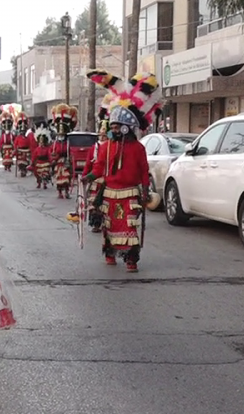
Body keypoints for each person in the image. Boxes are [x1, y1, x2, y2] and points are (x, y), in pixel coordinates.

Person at [82, 70, 162, 272]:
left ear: (128, 127)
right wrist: (89, 176)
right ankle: (110, 253)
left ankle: (131, 259)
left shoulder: (138, 148)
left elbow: (144, 170)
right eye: (113, 126)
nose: (115, 130)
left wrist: (144, 189)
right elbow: (99, 167)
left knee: (129, 226)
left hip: (130, 193)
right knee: (109, 226)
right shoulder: (107, 146)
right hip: (109, 193)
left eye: (118, 127)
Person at [82, 121, 108, 233]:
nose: (102, 138)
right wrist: (85, 175)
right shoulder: (94, 148)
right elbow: (88, 163)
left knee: (106, 204)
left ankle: (106, 223)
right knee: (94, 203)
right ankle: (96, 224)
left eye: (105, 136)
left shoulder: (112, 147)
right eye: (101, 135)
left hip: (107, 180)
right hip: (95, 180)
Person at [51, 104, 76, 199]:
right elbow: (52, 152)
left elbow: (71, 151)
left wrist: (71, 160)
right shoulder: (55, 143)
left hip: (66, 161)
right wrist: (53, 158)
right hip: (58, 162)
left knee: (66, 178)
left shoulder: (68, 141)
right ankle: (59, 192)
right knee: (59, 178)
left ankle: (66, 192)